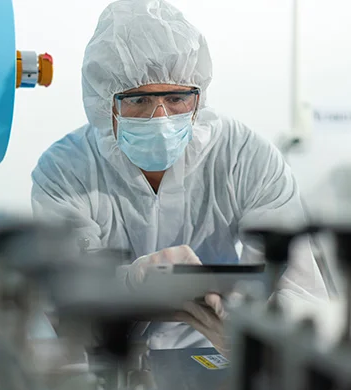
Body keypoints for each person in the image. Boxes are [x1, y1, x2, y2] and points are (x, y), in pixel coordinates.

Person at [30, 0, 328, 355]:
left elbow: (302, 292)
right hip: (112, 356)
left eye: (175, 97)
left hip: (215, 350)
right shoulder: (64, 171)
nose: (160, 117)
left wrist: (253, 333)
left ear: (198, 97)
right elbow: (66, 298)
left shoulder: (244, 156)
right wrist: (131, 284)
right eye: (138, 100)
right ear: (104, 103)